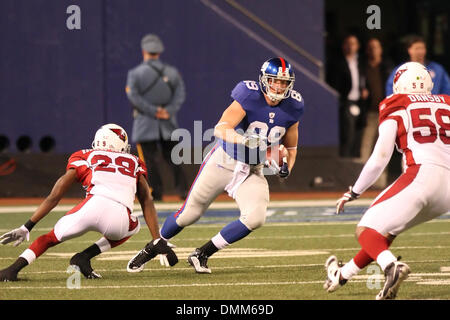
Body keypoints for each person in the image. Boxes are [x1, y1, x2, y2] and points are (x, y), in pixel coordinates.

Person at [126, 57, 304, 274]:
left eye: (284, 82)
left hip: (252, 169)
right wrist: (244, 140)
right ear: (264, 80)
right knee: (189, 214)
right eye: (275, 81)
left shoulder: (294, 106)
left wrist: (286, 167)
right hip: (224, 160)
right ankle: (152, 247)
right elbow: (221, 128)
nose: (279, 86)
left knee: (256, 217)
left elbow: (291, 148)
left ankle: (202, 253)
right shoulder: (248, 94)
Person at [323, 62, 450, 300]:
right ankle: (342, 274)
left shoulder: (396, 103)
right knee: (384, 233)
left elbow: (380, 158)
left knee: (365, 229)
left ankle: (392, 267)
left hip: (421, 174)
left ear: (399, 84)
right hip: (447, 191)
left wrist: (354, 191)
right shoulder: (447, 102)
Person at [0, 124, 177, 281]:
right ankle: (84, 256)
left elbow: (55, 196)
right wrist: (156, 239)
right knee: (134, 225)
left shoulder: (85, 156)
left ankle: (12, 270)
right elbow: (147, 199)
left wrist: (27, 226)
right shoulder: (134, 161)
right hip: (119, 220)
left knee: (49, 239)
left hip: (90, 208)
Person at [126, 33, 188, 201]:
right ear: (159, 52)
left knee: (149, 161)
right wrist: (168, 110)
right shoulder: (172, 72)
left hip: (145, 124)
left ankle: (156, 192)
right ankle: (183, 191)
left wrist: (153, 111)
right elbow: (180, 94)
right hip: (168, 123)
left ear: (144, 51)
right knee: (174, 159)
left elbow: (134, 97)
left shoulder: (135, 74)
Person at [327, 34, 369, 158]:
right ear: (343, 46)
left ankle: (354, 163)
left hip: (360, 102)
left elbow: (362, 79)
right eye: (348, 43)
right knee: (348, 135)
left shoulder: (360, 62)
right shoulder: (337, 63)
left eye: (353, 44)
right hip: (346, 103)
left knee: (359, 134)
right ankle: (344, 162)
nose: (350, 47)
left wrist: (364, 90)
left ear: (358, 46)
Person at [385, 35, 450, 96]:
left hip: (432, 106)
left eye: (422, 48)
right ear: (409, 50)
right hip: (408, 106)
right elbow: (391, 91)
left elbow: (447, 90)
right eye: (417, 48)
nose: (420, 51)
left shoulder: (437, 69)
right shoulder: (401, 70)